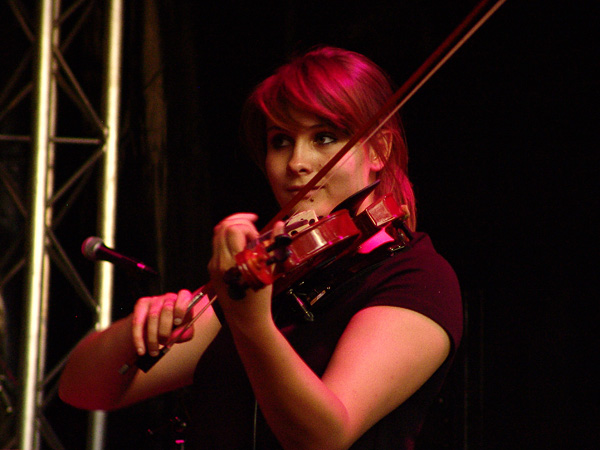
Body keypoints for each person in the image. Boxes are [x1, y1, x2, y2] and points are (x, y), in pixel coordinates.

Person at [59, 46, 463, 450]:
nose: (297, 163)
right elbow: (81, 390)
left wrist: (252, 325)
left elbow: (324, 437)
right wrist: (137, 331)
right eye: (281, 141)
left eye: (325, 138)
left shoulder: (417, 278)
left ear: (379, 151)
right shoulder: (279, 276)